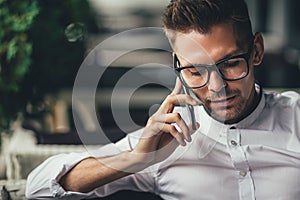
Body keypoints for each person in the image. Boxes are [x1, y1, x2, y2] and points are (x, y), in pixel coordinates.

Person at [26, 0, 300, 199]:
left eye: (229, 63)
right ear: (178, 65)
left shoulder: (296, 119)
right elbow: (38, 186)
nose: (216, 87)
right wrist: (135, 159)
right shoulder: (163, 142)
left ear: (257, 51)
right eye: (195, 70)